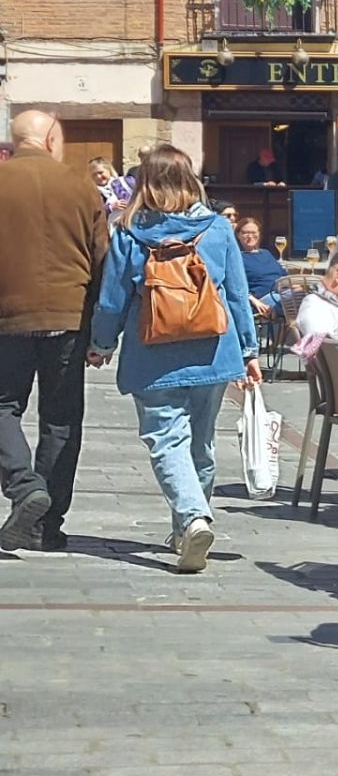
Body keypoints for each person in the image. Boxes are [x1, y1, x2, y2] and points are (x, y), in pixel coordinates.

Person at [86, 145, 260, 572]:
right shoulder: (217, 228)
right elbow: (237, 294)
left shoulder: (129, 232)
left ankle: (193, 518)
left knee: (166, 440)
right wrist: (249, 349)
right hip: (213, 352)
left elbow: (112, 299)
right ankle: (186, 529)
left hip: (152, 355)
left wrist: (102, 344)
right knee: (200, 443)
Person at [0, 110, 107, 552]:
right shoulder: (82, 187)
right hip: (69, 316)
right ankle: (46, 525)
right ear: (48, 140)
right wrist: (100, 327)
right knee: (61, 418)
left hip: (8, 317)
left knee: (3, 406)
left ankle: (24, 485)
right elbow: (102, 258)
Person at [235, 218, 287, 316]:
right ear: (238, 235)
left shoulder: (266, 253)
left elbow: (283, 276)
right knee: (297, 305)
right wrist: (253, 300)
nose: (250, 236)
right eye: (245, 233)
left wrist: (298, 287)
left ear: (259, 234)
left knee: (310, 298)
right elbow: (234, 285)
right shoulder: (237, 257)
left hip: (282, 293)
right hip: (263, 298)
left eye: (253, 232)